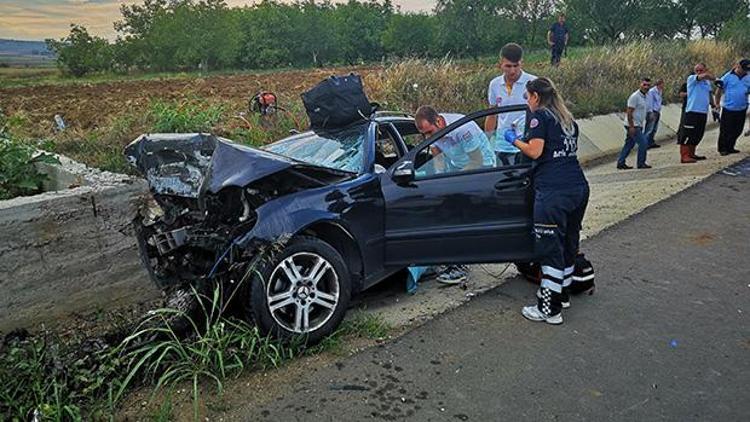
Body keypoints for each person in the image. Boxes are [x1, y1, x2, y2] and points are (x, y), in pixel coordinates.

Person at [503, 77, 590, 324]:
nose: (526, 102)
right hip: (578, 188)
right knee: (568, 244)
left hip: (553, 191)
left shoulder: (539, 117)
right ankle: (560, 296)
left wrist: (514, 140)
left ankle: (549, 310)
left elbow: (535, 152)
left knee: (549, 248)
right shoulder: (567, 119)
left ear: (536, 97)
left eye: (527, 97)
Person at [414, 106, 495, 285]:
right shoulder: (433, 132)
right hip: (457, 167)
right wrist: (439, 180)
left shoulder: (463, 128)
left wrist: (452, 181)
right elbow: (438, 158)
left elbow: (477, 161)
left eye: (430, 132)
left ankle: (460, 267)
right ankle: (449, 259)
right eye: (424, 135)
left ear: (439, 121)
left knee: (458, 218)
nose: (428, 137)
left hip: (481, 169)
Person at [485, 43, 537, 166]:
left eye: (516, 66)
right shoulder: (495, 84)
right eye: (508, 66)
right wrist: (487, 141)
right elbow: (492, 114)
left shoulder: (533, 82)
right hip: (502, 143)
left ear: (521, 63)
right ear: (500, 64)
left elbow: (541, 114)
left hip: (526, 143)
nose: (512, 71)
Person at [678, 63, 716, 163]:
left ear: (705, 69)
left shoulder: (707, 82)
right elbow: (707, 76)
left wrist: (713, 105)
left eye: (701, 70)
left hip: (702, 111)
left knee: (697, 134)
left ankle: (692, 153)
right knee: (688, 134)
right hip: (692, 111)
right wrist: (711, 76)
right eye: (697, 71)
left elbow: (709, 93)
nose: (699, 72)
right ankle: (684, 156)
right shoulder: (692, 79)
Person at [715, 59, 750, 155]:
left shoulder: (748, 77)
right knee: (725, 130)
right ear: (738, 66)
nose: (745, 71)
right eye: (743, 69)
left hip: (742, 108)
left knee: (737, 130)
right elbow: (719, 90)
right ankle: (723, 148)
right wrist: (717, 103)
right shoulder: (728, 76)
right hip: (729, 108)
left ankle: (730, 147)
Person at [617, 78, 652, 170]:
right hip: (633, 125)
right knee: (643, 143)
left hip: (639, 124)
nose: (646, 87)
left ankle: (620, 162)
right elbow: (629, 112)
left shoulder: (645, 96)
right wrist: (631, 126)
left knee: (629, 144)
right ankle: (641, 163)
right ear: (640, 84)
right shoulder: (635, 97)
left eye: (648, 85)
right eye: (644, 85)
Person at [644, 79, 664, 149]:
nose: (663, 86)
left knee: (654, 128)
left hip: (657, 111)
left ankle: (651, 142)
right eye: (662, 84)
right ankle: (645, 143)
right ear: (659, 84)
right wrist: (650, 112)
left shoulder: (660, 91)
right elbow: (650, 102)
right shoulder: (652, 91)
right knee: (649, 128)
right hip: (652, 112)